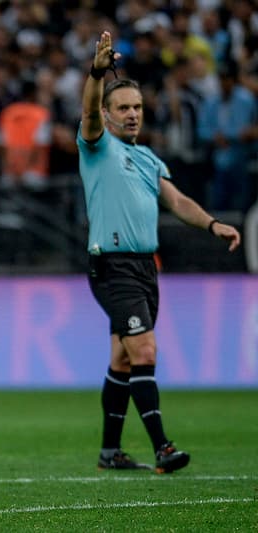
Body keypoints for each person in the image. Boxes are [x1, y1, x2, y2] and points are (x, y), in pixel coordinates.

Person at [78, 31, 241, 473]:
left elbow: (176, 201)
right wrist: (96, 73)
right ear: (108, 116)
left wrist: (212, 223)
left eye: (137, 108)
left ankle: (110, 452)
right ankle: (163, 448)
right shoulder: (96, 146)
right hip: (112, 266)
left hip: (145, 267)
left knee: (124, 358)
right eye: (123, 108)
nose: (132, 115)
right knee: (145, 351)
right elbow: (88, 109)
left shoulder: (148, 159)